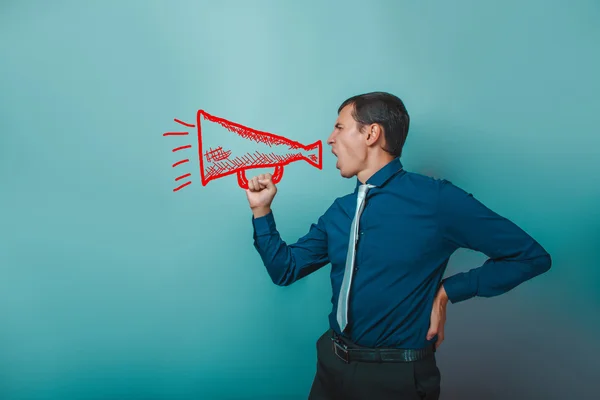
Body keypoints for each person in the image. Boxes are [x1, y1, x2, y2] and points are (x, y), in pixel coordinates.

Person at [244, 91, 551, 399]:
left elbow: (529, 256)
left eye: (339, 127)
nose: (329, 139)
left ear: (371, 133)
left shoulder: (436, 200)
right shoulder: (340, 211)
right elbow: (285, 270)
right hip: (331, 368)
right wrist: (261, 211)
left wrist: (447, 292)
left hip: (396, 379)